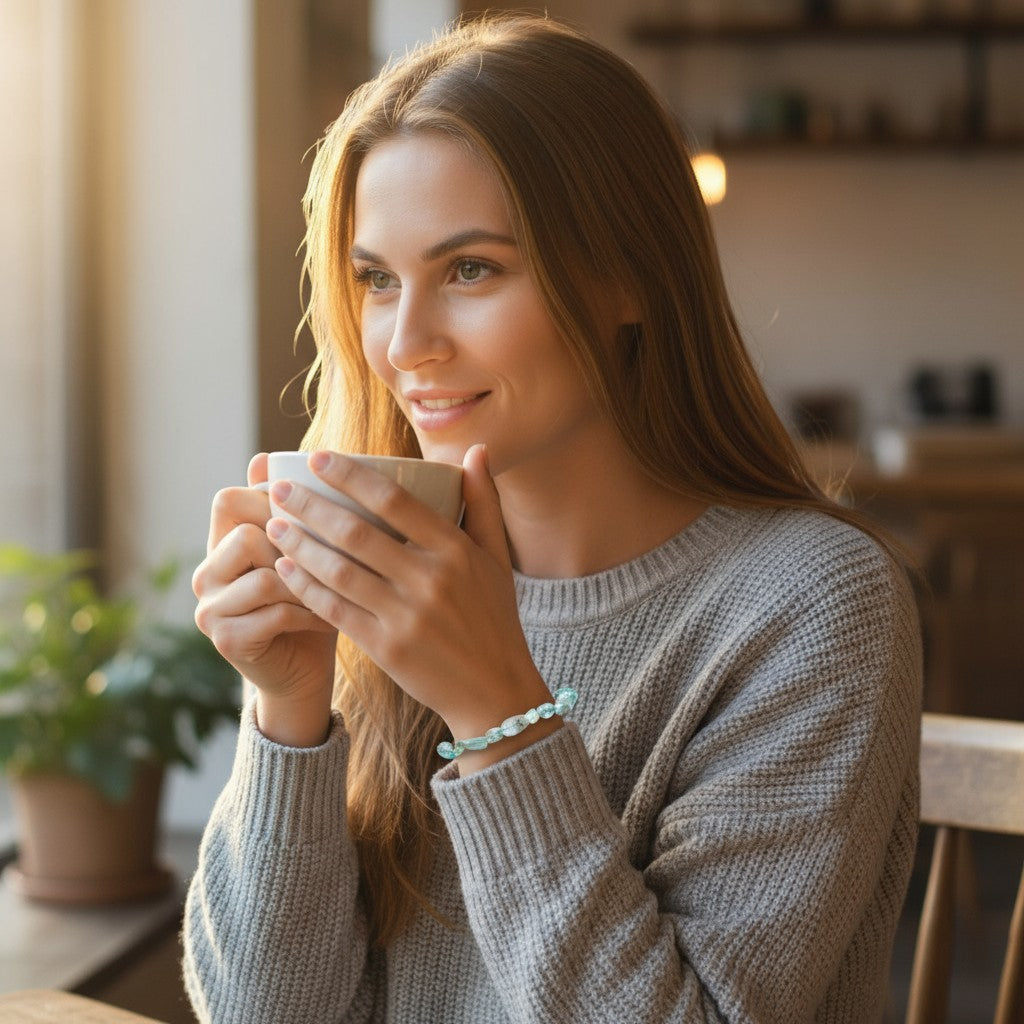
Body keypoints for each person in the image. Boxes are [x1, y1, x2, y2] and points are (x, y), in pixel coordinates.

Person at [183, 14, 921, 1024]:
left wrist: (497, 710)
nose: (406, 344)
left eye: (472, 269)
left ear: (626, 276)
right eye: (377, 280)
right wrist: (289, 712)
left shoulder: (810, 604)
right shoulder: (389, 577)